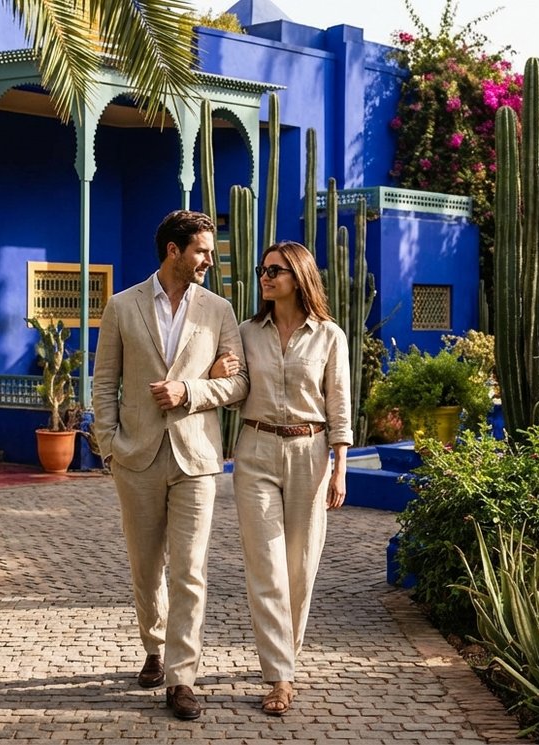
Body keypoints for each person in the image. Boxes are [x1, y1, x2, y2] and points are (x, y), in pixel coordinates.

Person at [91, 210, 248, 721]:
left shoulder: (219, 310)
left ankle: (183, 678)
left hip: (197, 459)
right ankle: (154, 648)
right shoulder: (121, 305)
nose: (210, 259)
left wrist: (192, 390)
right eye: (202, 250)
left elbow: (239, 384)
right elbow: (104, 382)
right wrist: (108, 446)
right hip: (135, 456)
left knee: (190, 570)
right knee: (146, 567)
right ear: (173, 251)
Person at [230, 240, 351, 716]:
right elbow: (233, 385)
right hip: (256, 447)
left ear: (298, 277)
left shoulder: (329, 336)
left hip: (311, 451)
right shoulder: (245, 332)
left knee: (299, 567)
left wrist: (340, 467)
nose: (265, 277)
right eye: (263, 270)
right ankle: (279, 676)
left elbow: (338, 402)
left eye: (275, 270)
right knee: (266, 567)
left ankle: (286, 651)